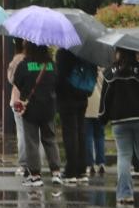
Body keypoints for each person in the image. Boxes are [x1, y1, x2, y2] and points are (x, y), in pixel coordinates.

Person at [100, 47, 139, 205]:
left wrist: (103, 117)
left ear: (118, 51)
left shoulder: (110, 72)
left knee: (124, 156)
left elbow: (105, 98)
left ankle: (125, 195)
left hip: (119, 120)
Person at [10, 40, 59, 187]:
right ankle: (56, 172)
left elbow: (16, 82)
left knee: (32, 141)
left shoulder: (24, 65)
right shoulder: (51, 65)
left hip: (30, 109)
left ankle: (35, 175)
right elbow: (57, 82)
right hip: (49, 108)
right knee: (50, 139)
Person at [53, 48, 90, 185]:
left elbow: (60, 77)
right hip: (83, 96)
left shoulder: (63, 53)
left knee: (70, 134)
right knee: (81, 132)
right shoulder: (85, 51)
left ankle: (71, 171)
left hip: (67, 98)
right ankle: (81, 170)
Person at [5, 44, 32, 176]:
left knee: (21, 133)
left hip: (18, 100)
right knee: (35, 134)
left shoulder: (18, 59)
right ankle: (35, 164)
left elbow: (11, 79)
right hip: (36, 101)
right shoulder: (42, 60)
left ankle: (23, 164)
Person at [84, 68, 107, 176]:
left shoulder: (85, 70)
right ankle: (101, 162)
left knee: (88, 136)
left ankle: (90, 164)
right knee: (100, 136)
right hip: (100, 108)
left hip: (87, 107)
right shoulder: (102, 71)